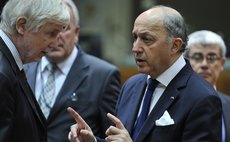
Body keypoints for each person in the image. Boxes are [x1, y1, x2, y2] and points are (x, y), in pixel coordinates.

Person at [68, 5, 223, 142]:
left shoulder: (202, 97)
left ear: (175, 46)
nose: (135, 48)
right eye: (135, 38)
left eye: (146, 39)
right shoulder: (131, 85)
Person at [24, 0, 121, 142]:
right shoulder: (24, 67)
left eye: (64, 28)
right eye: (50, 30)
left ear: (76, 33)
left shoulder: (103, 75)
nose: (57, 37)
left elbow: (113, 137)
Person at [0, 0, 70, 141]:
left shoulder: (10, 63)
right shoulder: (2, 74)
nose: (55, 44)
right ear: (22, 26)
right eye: (51, 33)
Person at [184, 30, 230, 142]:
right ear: (185, 62)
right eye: (197, 57)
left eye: (212, 57)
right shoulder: (171, 101)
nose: (204, 64)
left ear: (222, 63)